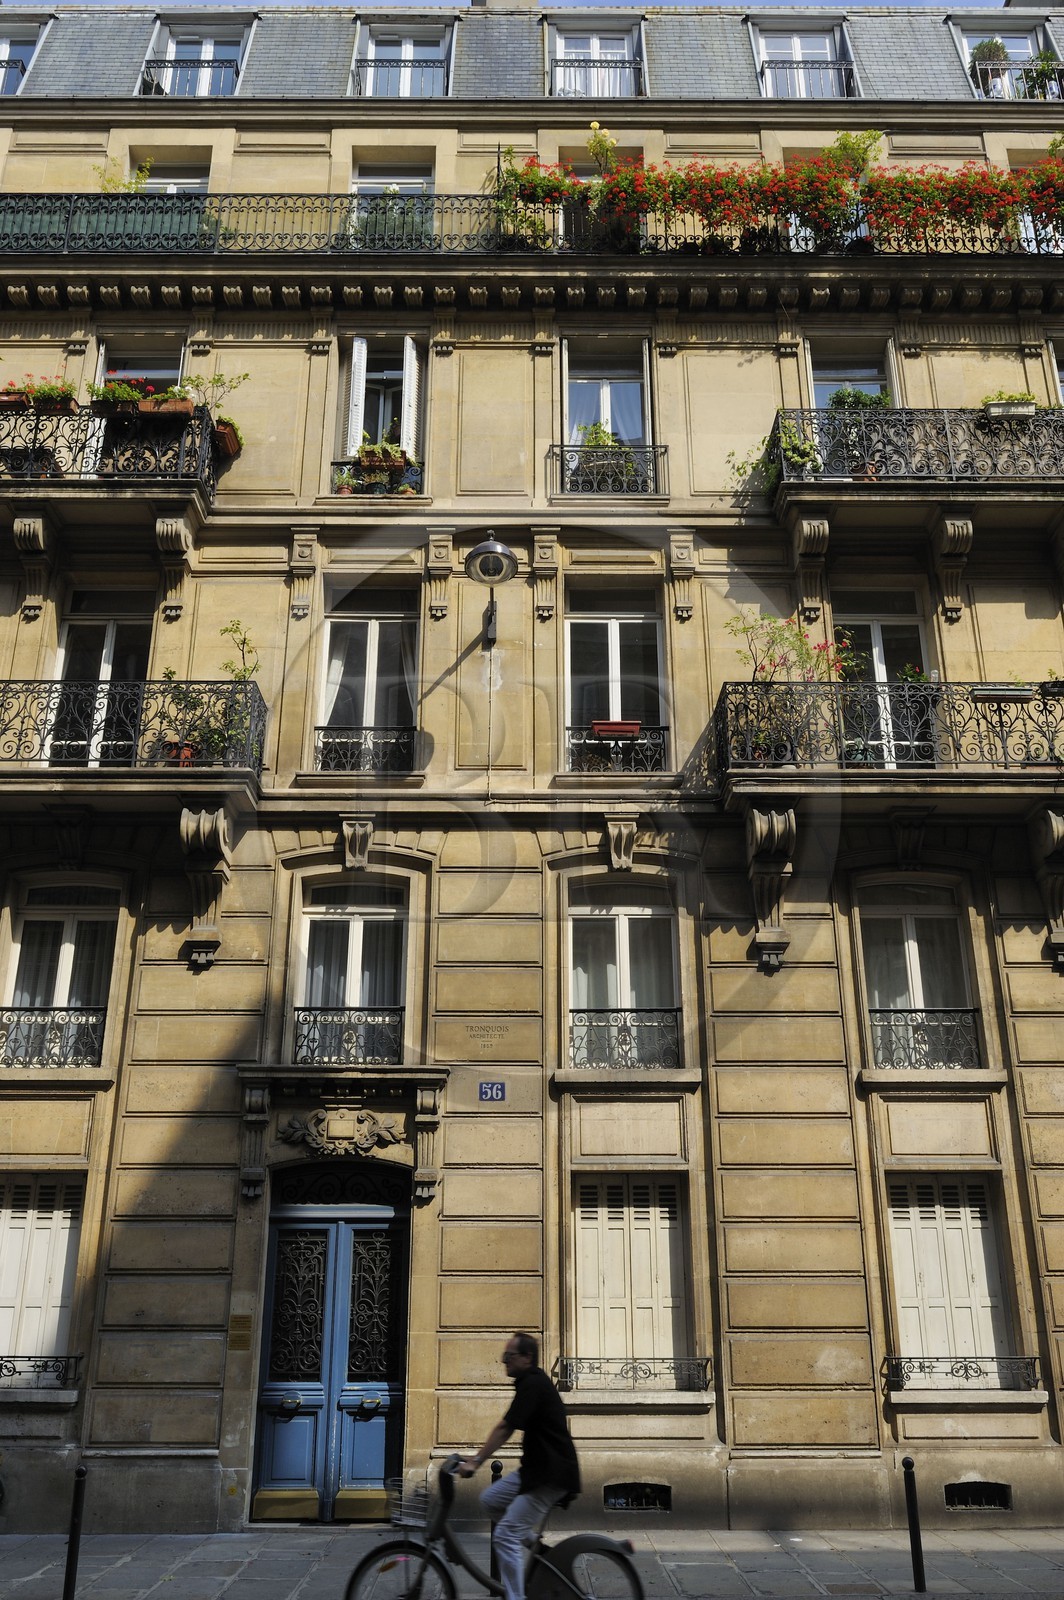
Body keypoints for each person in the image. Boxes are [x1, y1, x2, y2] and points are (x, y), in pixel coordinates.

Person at [457, 1332, 581, 1600]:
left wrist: (476, 1462)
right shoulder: (529, 1383)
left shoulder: (534, 1385)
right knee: (491, 1499)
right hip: (535, 1472)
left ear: (526, 1357)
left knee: (504, 1536)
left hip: (551, 1477)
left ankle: (516, 1597)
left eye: (509, 1357)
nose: (504, 1362)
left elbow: (505, 1428)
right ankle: (530, 1544)